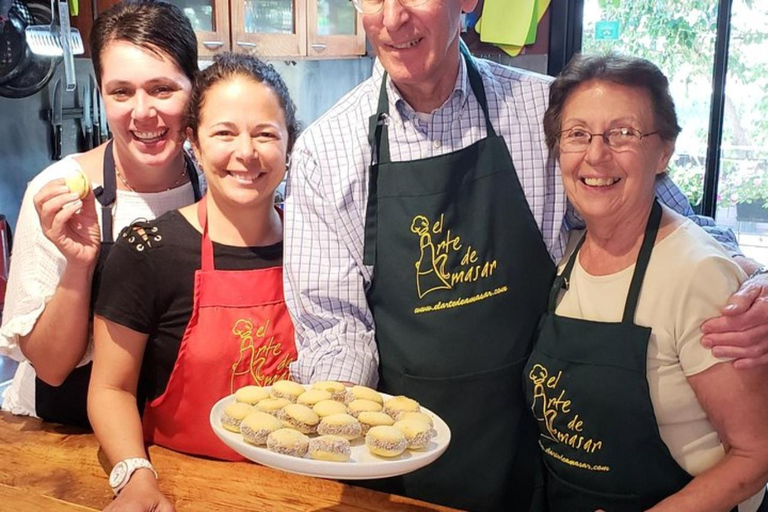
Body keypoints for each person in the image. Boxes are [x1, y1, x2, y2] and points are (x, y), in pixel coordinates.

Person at [283, 1, 768, 510]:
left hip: (539, 455)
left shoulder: (547, 112)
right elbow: (335, 329)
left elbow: (666, 216)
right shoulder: (326, 152)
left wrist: (753, 279)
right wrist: (336, 430)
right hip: (402, 465)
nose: (393, 17)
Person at [524, 53, 768, 512]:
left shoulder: (696, 273)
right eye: (578, 134)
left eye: (624, 133)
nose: (596, 154)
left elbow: (756, 453)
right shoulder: (568, 253)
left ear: (664, 152)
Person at [88, 52, 300, 509]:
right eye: (224, 132)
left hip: (298, 488)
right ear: (195, 144)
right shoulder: (149, 251)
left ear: (289, 145)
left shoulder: (317, 248)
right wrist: (135, 477)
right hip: (183, 488)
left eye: (265, 134)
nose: (246, 152)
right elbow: (110, 388)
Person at [0, 0, 202, 427]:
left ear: (194, 87)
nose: (143, 112)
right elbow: (51, 369)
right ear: (102, 92)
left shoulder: (212, 184)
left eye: (162, 89)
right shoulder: (58, 193)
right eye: (121, 91)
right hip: (63, 433)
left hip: (173, 428)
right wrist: (78, 264)